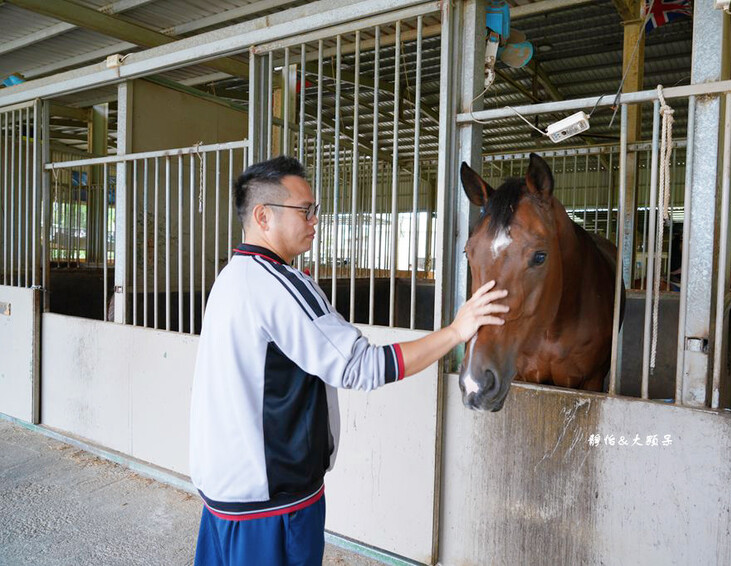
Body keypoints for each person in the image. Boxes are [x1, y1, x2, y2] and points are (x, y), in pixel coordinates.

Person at [189, 155, 508, 566]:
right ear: (263, 216)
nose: (314, 221)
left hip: (224, 497)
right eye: (305, 210)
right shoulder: (280, 286)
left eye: (315, 210)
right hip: (272, 506)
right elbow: (362, 367)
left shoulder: (232, 276)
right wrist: (455, 332)